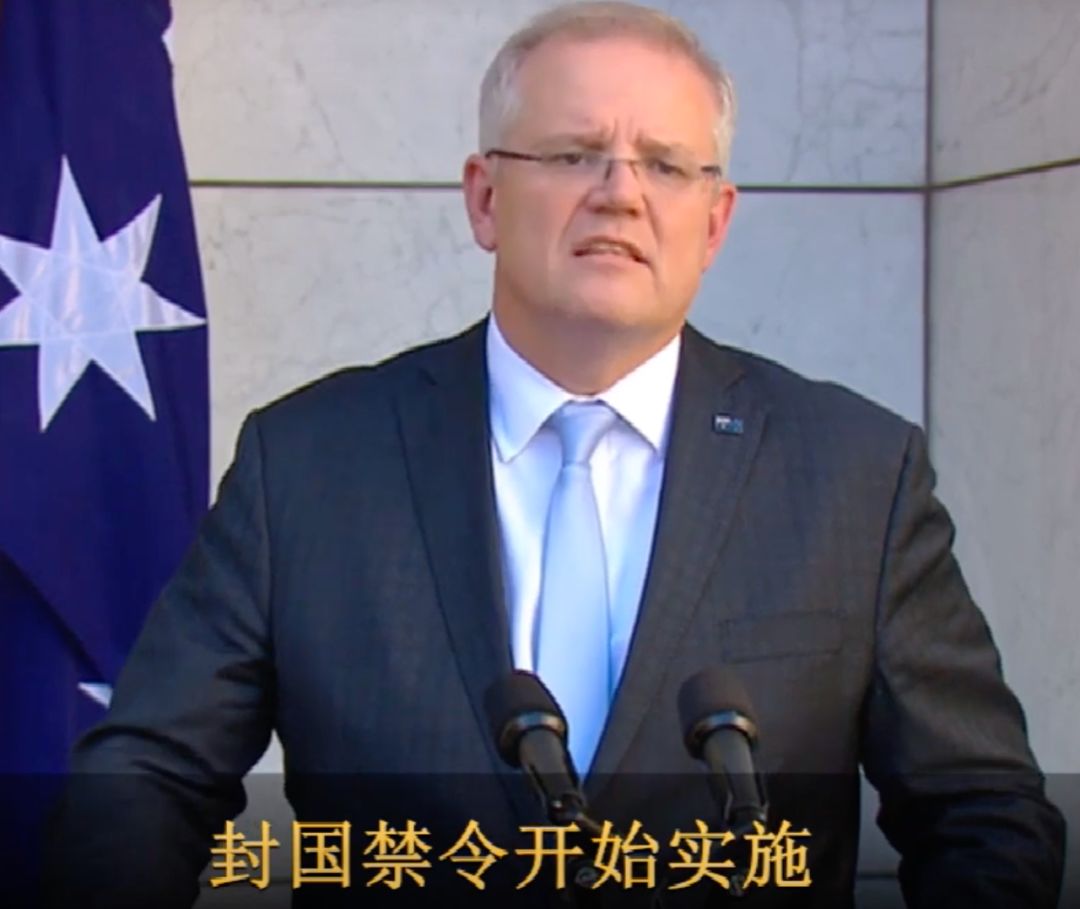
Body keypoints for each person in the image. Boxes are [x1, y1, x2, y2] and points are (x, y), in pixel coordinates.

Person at [46, 3, 1064, 907]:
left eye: (665, 164)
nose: (620, 193)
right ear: (485, 198)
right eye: (575, 154)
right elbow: (150, 779)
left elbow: (983, 813)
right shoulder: (309, 464)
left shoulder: (855, 476)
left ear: (714, 222)